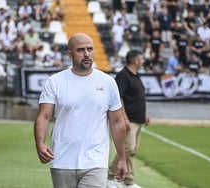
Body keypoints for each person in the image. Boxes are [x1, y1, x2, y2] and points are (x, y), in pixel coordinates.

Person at [34, 33, 127, 188]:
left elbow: (117, 122)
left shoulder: (108, 82)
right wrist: (40, 144)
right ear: (70, 54)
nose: (86, 54)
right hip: (62, 160)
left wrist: (122, 158)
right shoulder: (55, 81)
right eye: (80, 50)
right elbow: (43, 117)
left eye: (90, 49)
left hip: (96, 161)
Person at [107, 50, 150, 188]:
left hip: (138, 119)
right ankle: (114, 177)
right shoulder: (123, 76)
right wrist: (124, 117)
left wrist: (144, 115)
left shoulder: (136, 75)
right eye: (142, 59)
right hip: (129, 119)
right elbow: (118, 97)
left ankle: (125, 179)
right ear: (136, 60)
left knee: (132, 150)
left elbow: (137, 98)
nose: (143, 61)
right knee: (128, 149)